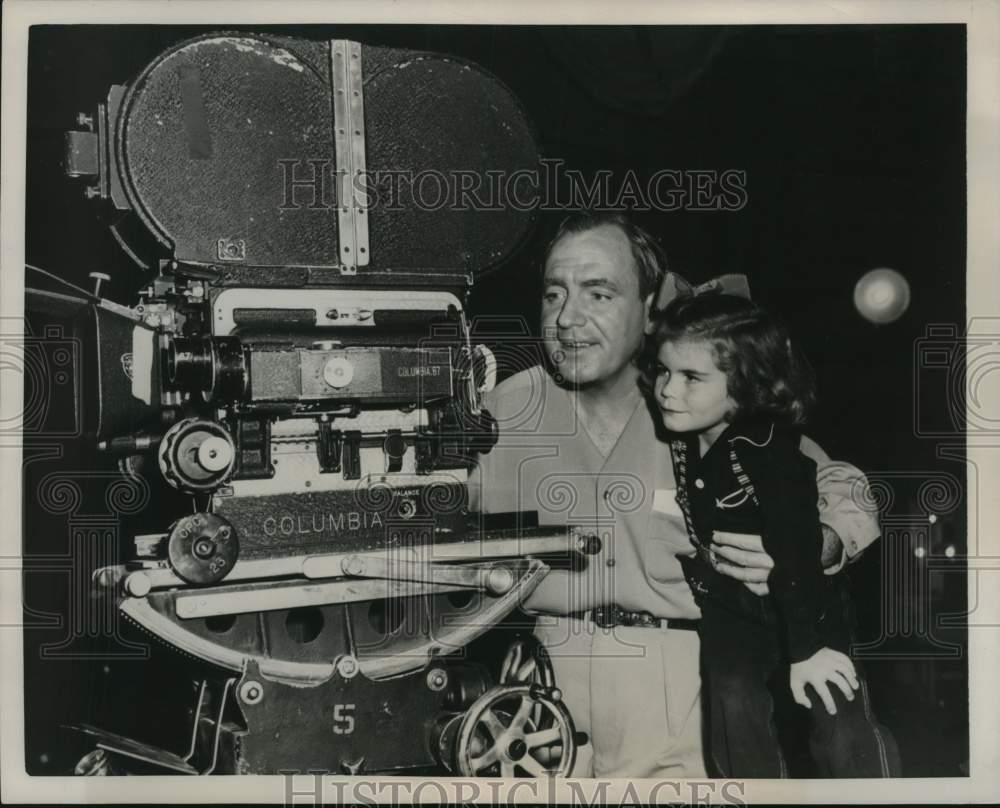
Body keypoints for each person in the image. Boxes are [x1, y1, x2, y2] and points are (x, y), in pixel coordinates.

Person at [467, 211, 880, 778]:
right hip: (535, 704)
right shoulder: (498, 415)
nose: (567, 318)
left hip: (682, 703)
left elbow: (844, 485)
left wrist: (824, 544)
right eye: (554, 293)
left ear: (650, 307)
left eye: (599, 293)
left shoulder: (698, 399)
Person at [645, 292, 899, 777]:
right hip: (733, 609)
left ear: (743, 388)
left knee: (841, 729)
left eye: (691, 378)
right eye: (662, 371)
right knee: (733, 712)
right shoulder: (683, 436)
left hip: (807, 604)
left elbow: (799, 543)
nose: (666, 390)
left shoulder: (769, 452)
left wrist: (805, 650)